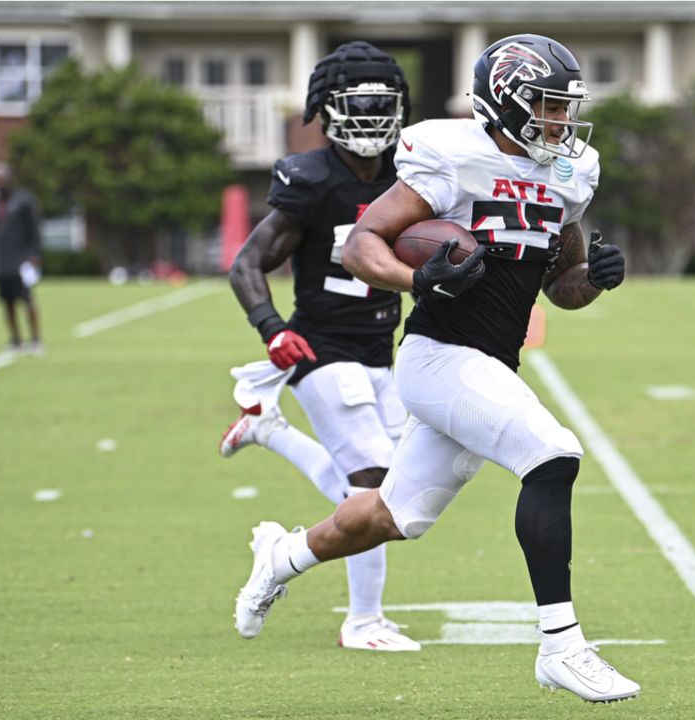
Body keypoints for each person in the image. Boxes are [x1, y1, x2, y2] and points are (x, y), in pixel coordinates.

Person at [232, 34, 637, 702]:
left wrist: (595, 277)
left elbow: (562, 286)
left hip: (488, 360)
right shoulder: (450, 154)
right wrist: (416, 281)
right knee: (553, 454)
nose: (561, 121)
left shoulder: (570, 170)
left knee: (394, 515)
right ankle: (562, 647)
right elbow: (365, 243)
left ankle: (282, 556)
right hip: (437, 356)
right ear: (506, 102)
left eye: (565, 107)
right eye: (547, 105)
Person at [223, 41, 420, 652]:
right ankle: (361, 621)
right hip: (321, 347)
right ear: (325, 110)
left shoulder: (412, 177)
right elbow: (248, 262)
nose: (368, 116)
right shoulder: (309, 179)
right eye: (355, 103)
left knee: (384, 490)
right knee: (372, 487)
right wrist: (270, 327)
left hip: (381, 350)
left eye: (379, 104)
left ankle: (268, 431)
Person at [0, 162, 43, 353]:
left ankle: (35, 339)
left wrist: (34, 254)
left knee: (27, 299)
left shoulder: (24, 201)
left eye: (4, 178)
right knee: (7, 302)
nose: (1, 182)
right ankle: (15, 339)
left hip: (22, 259)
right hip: (2, 261)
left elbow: (34, 229)